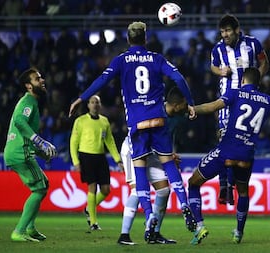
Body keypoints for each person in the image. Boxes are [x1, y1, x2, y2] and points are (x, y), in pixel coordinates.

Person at [69, 21, 197, 242]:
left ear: (128, 40)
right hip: (158, 119)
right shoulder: (157, 58)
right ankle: (184, 204)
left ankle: (149, 218)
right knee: (168, 163)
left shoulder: (121, 60)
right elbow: (178, 78)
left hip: (137, 125)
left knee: (140, 174)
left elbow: (102, 80)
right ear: (145, 39)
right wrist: (191, 102)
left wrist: (81, 98)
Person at [188, 67, 270, 245]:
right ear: (259, 83)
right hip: (246, 155)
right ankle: (238, 232)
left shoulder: (235, 93)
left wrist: (194, 109)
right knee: (243, 192)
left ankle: (200, 226)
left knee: (193, 182)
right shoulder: (268, 101)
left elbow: (213, 106)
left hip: (226, 151)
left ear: (242, 81)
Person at [210, 14, 269, 205]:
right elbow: (213, 66)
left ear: (236, 30)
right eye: (222, 32)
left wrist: (256, 78)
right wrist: (220, 71)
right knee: (223, 139)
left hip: (247, 101)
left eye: (227, 31)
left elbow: (264, 62)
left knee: (241, 144)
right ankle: (224, 186)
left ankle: (235, 182)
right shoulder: (218, 49)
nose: (224, 35)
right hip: (226, 100)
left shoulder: (253, 44)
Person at [117, 87, 188, 245]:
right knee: (137, 190)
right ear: (176, 105)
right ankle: (124, 235)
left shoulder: (171, 117)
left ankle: (153, 233)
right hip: (134, 149)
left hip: (152, 152)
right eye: (184, 104)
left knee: (163, 190)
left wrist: (168, 155)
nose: (185, 107)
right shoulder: (156, 112)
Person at [4, 68, 57, 242]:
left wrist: (42, 153)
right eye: (37, 79)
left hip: (19, 151)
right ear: (28, 86)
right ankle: (19, 231)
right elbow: (20, 121)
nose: (42, 81)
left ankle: (30, 227)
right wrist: (39, 140)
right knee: (40, 188)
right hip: (20, 153)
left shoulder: (31, 102)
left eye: (41, 77)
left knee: (44, 184)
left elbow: (26, 134)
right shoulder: (28, 101)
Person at [70, 95, 124, 231]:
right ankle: (93, 222)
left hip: (100, 157)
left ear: (100, 105)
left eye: (97, 102)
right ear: (88, 105)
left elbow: (109, 142)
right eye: (92, 102)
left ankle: (89, 208)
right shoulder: (80, 121)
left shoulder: (104, 122)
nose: (95, 105)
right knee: (92, 187)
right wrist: (76, 161)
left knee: (106, 190)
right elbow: (73, 142)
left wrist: (118, 160)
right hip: (86, 156)